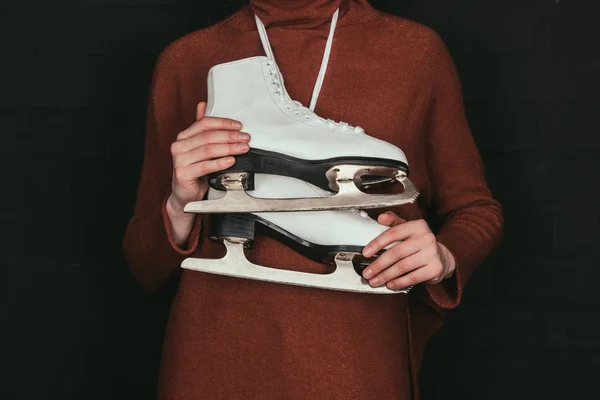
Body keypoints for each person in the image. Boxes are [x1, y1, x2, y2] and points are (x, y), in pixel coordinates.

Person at [123, 0, 504, 398]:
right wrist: (181, 200)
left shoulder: (413, 51)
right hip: (215, 356)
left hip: (355, 353)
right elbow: (144, 265)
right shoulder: (188, 59)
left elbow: (476, 209)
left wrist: (445, 254)